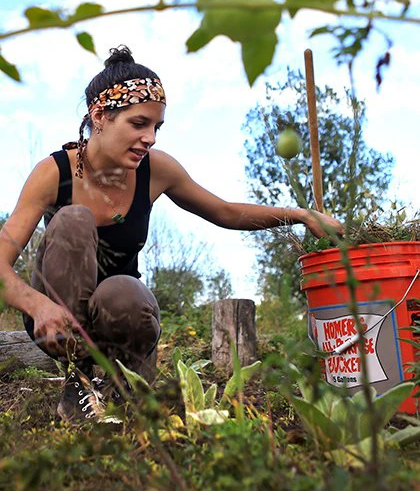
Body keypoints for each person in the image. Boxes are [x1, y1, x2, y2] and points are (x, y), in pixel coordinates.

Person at [0, 45, 343, 423]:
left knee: (123, 289)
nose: (151, 138)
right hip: (58, 325)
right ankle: (79, 380)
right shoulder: (54, 173)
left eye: (156, 127)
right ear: (100, 116)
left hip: (125, 320)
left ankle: (122, 383)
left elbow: (225, 212)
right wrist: (37, 304)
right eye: (138, 123)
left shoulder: (157, 170)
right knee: (73, 220)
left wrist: (300, 215)